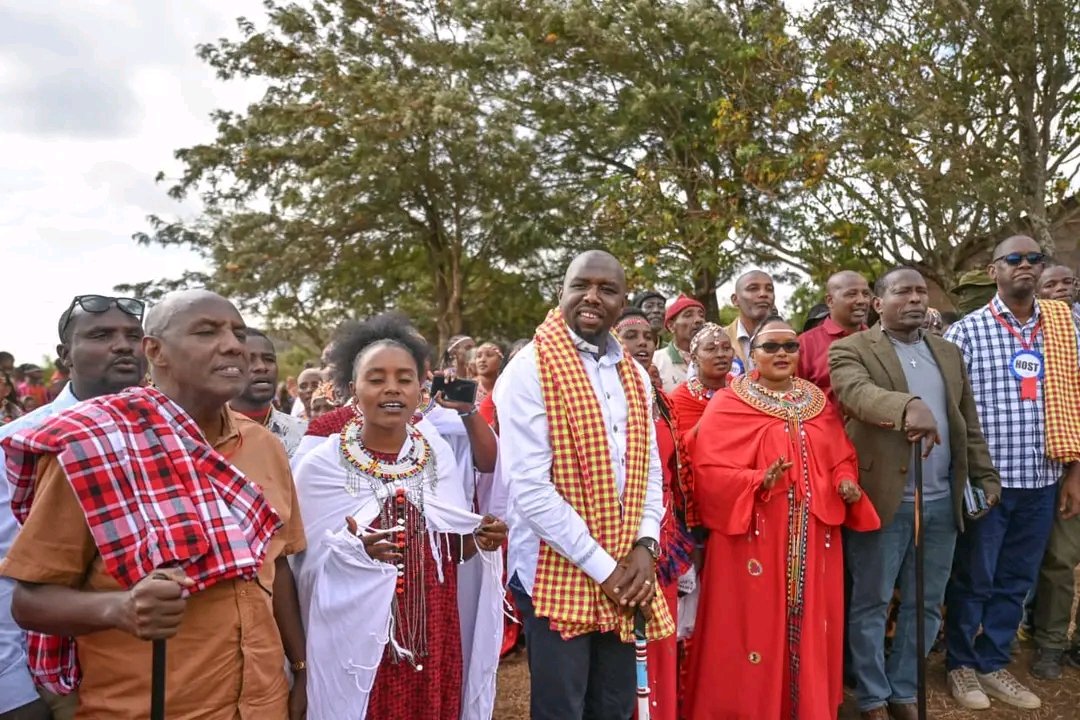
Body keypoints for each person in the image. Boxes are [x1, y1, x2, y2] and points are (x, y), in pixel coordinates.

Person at [0, 289, 308, 720]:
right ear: (155, 351)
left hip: (264, 703)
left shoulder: (264, 446)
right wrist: (118, 608)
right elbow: (29, 602)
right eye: (207, 331)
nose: (234, 345)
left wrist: (300, 669)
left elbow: (276, 568)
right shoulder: (94, 448)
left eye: (238, 332)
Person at [291, 314, 507, 719]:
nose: (392, 388)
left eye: (404, 378)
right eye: (376, 378)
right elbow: (301, 566)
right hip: (358, 641)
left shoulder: (436, 451)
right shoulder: (322, 465)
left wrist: (478, 539)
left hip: (433, 630)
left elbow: (448, 551)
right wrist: (354, 557)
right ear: (353, 389)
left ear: (420, 388)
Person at [496, 250, 672, 720]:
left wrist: (645, 545)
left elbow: (649, 467)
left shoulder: (632, 374)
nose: (592, 297)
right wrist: (607, 570)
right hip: (556, 570)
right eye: (581, 285)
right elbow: (531, 490)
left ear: (622, 301)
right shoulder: (528, 369)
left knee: (612, 708)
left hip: (625, 566)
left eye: (607, 289)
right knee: (562, 710)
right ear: (563, 292)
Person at [684, 315, 879, 719]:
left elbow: (840, 453)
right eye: (770, 347)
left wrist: (844, 480)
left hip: (813, 534)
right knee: (751, 629)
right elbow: (707, 469)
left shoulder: (815, 401)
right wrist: (757, 479)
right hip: (751, 536)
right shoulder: (730, 401)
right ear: (752, 354)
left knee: (813, 623)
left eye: (790, 347)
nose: (781, 354)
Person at [829, 267, 1001, 720]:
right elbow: (856, 394)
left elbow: (966, 421)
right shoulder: (850, 349)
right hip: (883, 499)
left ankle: (904, 690)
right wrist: (907, 405)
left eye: (921, 291)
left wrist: (984, 477)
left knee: (926, 603)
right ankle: (871, 696)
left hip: (942, 501)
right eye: (902, 291)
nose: (915, 298)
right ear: (878, 303)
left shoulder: (947, 351)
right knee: (872, 600)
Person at [943, 236, 1080, 711]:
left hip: (1043, 479)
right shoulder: (966, 332)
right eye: (1014, 259)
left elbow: (1075, 402)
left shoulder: (1064, 329)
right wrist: (964, 479)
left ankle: (992, 660)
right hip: (988, 484)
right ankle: (961, 664)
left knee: (1017, 578)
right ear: (993, 269)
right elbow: (952, 412)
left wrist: (1073, 473)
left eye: (1034, 259)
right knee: (974, 576)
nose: (1026, 266)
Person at [0, 294, 147, 720]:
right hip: (58, 686)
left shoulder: (176, 434)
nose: (123, 346)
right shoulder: (20, 442)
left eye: (133, 336)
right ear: (65, 355)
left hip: (162, 675)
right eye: (102, 335)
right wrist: (15, 693)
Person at [614, 308, 697, 720]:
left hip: (663, 531)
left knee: (660, 635)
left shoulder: (661, 400)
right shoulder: (605, 398)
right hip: (616, 531)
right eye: (631, 337)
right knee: (624, 637)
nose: (643, 343)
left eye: (648, 336)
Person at [229, 328, 307, 458]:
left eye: (269, 359)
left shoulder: (305, 434)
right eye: (249, 359)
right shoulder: (206, 435)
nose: (261, 367)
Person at [797, 270, 871, 403]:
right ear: (830, 301)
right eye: (851, 294)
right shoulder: (804, 344)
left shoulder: (879, 339)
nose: (862, 300)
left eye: (866, 294)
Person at [668, 323, 734, 434]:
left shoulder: (741, 390)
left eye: (726, 348)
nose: (721, 354)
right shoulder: (679, 399)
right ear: (694, 358)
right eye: (711, 349)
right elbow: (679, 445)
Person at [723, 270, 776, 372]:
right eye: (753, 289)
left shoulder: (789, 341)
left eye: (769, 289)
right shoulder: (718, 340)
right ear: (735, 300)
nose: (763, 294)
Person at [652, 294, 706, 393]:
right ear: (671, 326)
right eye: (688, 315)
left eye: (701, 315)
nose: (698, 320)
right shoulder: (656, 361)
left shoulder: (716, 359)